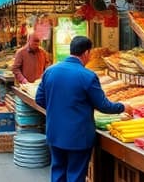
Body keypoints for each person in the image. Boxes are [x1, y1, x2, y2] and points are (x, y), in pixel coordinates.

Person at [36, 36, 132, 182]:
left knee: (58, 172)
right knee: (75, 175)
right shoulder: (88, 76)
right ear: (87, 53)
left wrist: (57, 109)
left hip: (55, 132)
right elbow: (103, 105)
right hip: (78, 136)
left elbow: (39, 99)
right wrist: (123, 107)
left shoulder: (50, 71)